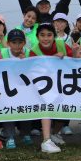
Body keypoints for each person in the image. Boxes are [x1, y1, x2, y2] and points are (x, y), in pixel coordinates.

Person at [29, 23, 74, 153]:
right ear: (37, 37)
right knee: (46, 108)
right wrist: (51, 60)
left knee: (64, 110)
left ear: (54, 36)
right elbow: (33, 70)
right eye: (42, 35)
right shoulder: (34, 51)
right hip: (43, 87)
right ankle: (46, 140)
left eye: (49, 35)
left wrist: (72, 54)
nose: (46, 38)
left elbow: (74, 62)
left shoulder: (62, 45)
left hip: (63, 85)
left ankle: (54, 133)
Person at [0, 29, 32, 149]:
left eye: (20, 42)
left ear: (24, 43)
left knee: (27, 109)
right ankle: (10, 136)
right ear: (8, 43)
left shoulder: (29, 53)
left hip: (24, 88)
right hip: (7, 88)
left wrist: (25, 62)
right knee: (9, 110)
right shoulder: (3, 53)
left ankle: (26, 134)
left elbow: (35, 67)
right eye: (14, 42)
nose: (17, 45)